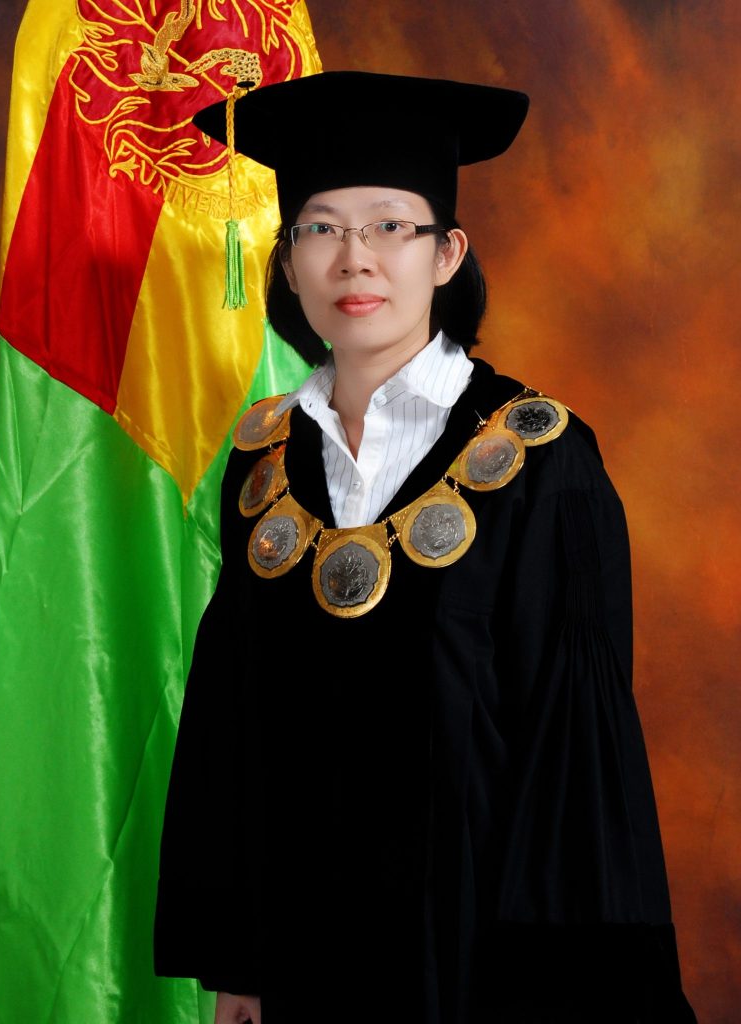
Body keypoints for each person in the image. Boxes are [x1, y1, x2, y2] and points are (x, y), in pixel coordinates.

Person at [154, 72, 698, 1024]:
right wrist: (242, 965)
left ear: (446, 254)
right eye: (321, 229)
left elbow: (573, 750)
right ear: (287, 262)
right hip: (305, 955)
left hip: (480, 961)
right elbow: (235, 723)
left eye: (389, 226)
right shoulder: (261, 462)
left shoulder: (541, 460)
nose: (353, 259)